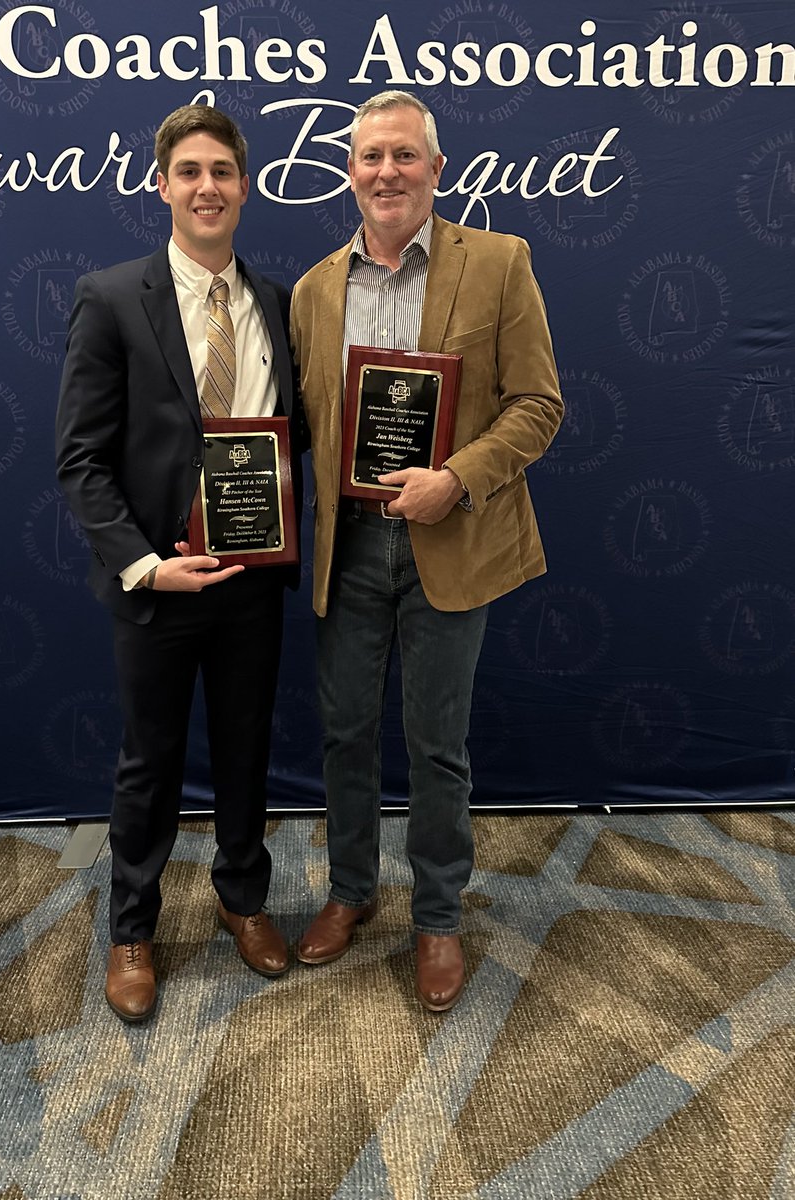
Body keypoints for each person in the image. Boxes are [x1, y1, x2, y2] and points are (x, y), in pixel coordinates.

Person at [290, 90, 562, 1012]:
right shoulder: (314, 290)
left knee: (438, 744)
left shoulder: (498, 263)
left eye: (405, 156)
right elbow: (302, 429)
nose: (387, 173)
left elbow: (538, 405)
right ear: (350, 172)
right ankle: (353, 892)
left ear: (437, 171)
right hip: (352, 548)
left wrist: (458, 477)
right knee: (344, 733)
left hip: (453, 540)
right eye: (370, 157)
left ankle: (438, 916)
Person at [56, 104, 301, 1023]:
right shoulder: (112, 296)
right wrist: (144, 564)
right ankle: (132, 927)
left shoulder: (275, 303)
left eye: (223, 172)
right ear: (163, 184)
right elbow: (80, 457)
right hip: (155, 586)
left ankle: (243, 899)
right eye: (189, 171)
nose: (207, 187)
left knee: (246, 750)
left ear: (246, 185)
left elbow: (293, 437)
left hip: (252, 582)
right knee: (149, 763)